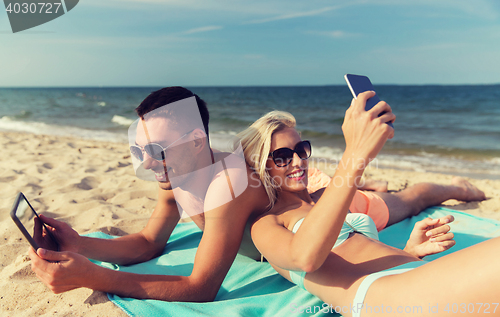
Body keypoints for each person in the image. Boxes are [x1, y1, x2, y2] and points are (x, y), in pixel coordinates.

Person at [28, 87, 430, 302]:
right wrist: (80, 244)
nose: (149, 164)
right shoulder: (176, 177)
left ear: (197, 142)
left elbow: (201, 288)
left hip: (318, 201)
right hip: (285, 186)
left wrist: (90, 276)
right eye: (143, 152)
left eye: (158, 152)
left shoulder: (228, 187)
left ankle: (449, 186)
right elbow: (150, 242)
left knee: (401, 203)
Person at [241, 93, 491, 316]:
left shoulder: (324, 198)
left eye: (301, 149)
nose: (297, 161)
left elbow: (352, 256)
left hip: (410, 278)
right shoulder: (267, 223)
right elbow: (305, 258)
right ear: (261, 167)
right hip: (387, 297)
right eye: (282, 157)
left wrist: (408, 252)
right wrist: (356, 151)